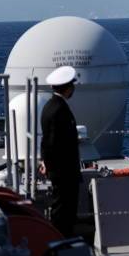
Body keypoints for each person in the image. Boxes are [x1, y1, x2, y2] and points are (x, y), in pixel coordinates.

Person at [40, 65, 81, 237]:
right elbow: (51, 142)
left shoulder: (51, 106)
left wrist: (45, 161)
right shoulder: (59, 110)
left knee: (62, 209)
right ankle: (60, 242)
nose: (73, 88)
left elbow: (47, 141)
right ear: (67, 87)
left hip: (61, 169)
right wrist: (48, 163)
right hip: (64, 172)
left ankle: (61, 241)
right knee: (63, 211)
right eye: (72, 85)